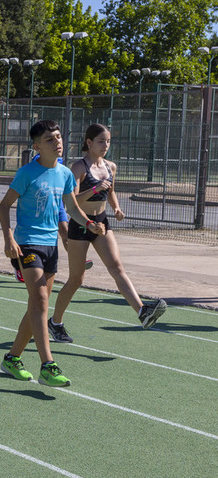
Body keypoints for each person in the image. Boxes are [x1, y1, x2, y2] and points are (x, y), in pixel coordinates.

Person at [0, 120, 103, 387]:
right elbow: (4, 206)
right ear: (36, 146)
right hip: (27, 243)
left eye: (58, 137)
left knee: (36, 305)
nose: (57, 142)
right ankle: (48, 365)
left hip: (50, 245)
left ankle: (12, 358)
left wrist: (88, 223)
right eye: (49, 139)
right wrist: (8, 237)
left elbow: (72, 208)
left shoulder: (66, 174)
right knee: (41, 300)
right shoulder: (26, 173)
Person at [48, 124, 167, 342]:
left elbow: (110, 191)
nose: (106, 145)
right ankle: (55, 322)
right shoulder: (78, 168)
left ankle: (142, 312)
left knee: (117, 267)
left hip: (102, 222)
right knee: (76, 279)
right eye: (101, 141)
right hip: (81, 224)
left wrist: (117, 208)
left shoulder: (111, 166)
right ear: (89, 142)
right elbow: (72, 204)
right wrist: (94, 189)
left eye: (108, 141)